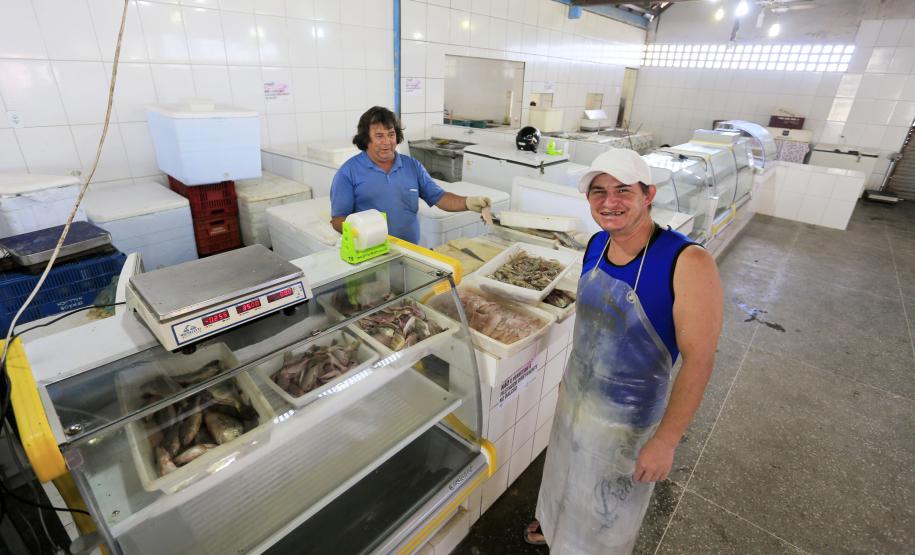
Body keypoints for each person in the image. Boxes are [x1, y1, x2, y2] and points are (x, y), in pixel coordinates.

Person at [525, 148, 723, 553]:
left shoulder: (686, 261)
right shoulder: (596, 244)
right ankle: (553, 527)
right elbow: (589, 330)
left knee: (606, 510)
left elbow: (699, 361)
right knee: (562, 474)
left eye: (622, 190)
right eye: (598, 192)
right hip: (577, 400)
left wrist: (666, 441)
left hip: (627, 425)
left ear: (648, 194)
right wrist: (567, 382)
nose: (609, 202)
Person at [330, 106, 491, 244]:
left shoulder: (412, 166)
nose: (387, 142)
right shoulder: (348, 173)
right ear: (366, 139)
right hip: (370, 255)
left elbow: (440, 198)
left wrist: (468, 202)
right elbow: (338, 220)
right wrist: (366, 233)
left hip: (410, 252)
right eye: (379, 136)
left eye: (391, 134)